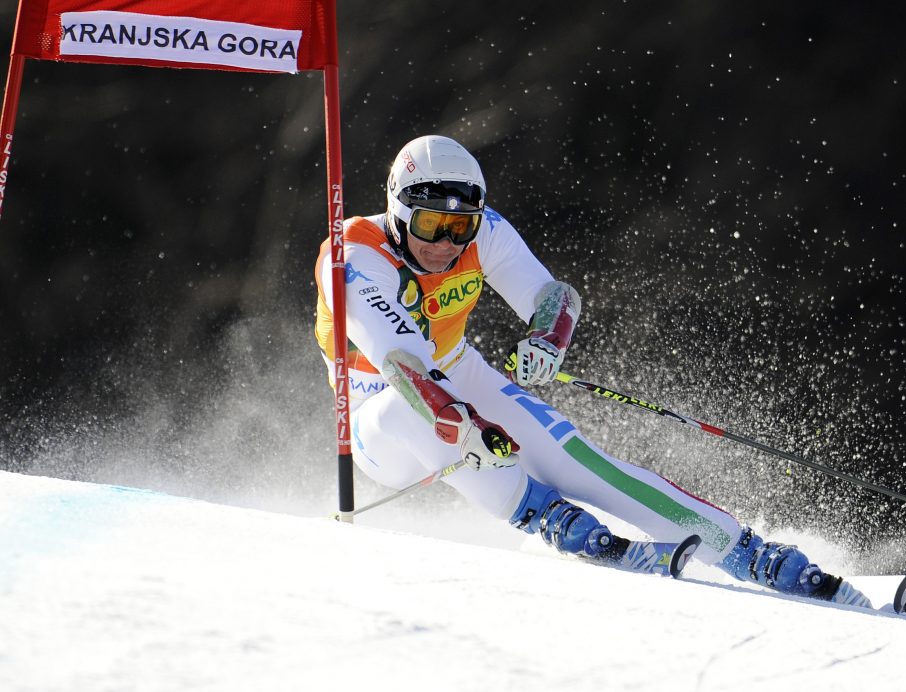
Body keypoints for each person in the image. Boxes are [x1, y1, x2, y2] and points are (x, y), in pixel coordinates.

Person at [314, 134, 872, 606]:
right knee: (410, 412)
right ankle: (553, 520)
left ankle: (744, 550)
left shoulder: (484, 234)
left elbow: (554, 296)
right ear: (400, 209)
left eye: (460, 228)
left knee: (575, 455)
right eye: (433, 224)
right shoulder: (353, 255)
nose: (446, 242)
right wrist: (459, 418)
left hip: (458, 372)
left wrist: (546, 338)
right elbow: (403, 361)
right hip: (377, 417)